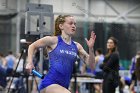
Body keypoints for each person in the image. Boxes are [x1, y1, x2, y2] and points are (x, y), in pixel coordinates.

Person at [26, 15, 96, 93]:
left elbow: (92, 66)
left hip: (64, 86)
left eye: (75, 24)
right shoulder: (53, 40)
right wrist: (30, 62)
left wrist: (91, 48)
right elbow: (32, 46)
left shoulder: (77, 46)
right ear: (61, 26)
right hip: (49, 84)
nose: (73, 26)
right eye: (70, 23)